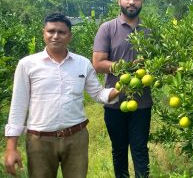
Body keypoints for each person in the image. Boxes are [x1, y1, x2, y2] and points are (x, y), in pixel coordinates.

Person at [3, 13, 120, 178]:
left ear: (70, 36)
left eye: (61, 32)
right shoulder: (27, 64)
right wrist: (11, 147)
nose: (55, 36)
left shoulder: (82, 63)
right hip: (39, 140)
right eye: (51, 31)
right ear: (43, 32)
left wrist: (120, 89)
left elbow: (98, 93)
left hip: (76, 138)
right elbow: (18, 105)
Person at [92, 0, 153, 178]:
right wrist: (128, 68)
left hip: (141, 102)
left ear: (141, 1)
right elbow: (98, 63)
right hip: (114, 102)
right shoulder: (107, 28)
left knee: (140, 150)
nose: (132, 2)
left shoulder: (150, 30)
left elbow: (160, 61)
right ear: (119, 0)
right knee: (119, 151)